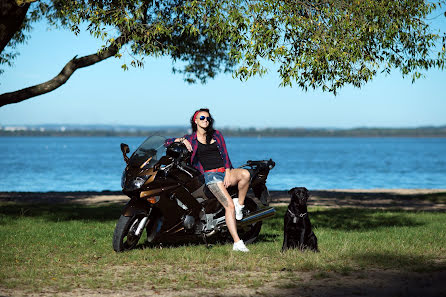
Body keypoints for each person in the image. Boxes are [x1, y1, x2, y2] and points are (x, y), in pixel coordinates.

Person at [164, 108, 251, 252]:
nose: (206, 120)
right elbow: (167, 143)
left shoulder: (217, 135)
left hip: (224, 171)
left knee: (245, 175)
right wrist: (181, 140)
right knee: (229, 206)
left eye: (208, 118)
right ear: (195, 120)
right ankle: (237, 243)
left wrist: (228, 172)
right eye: (202, 118)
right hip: (210, 176)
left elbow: (225, 155)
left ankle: (240, 205)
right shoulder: (191, 138)